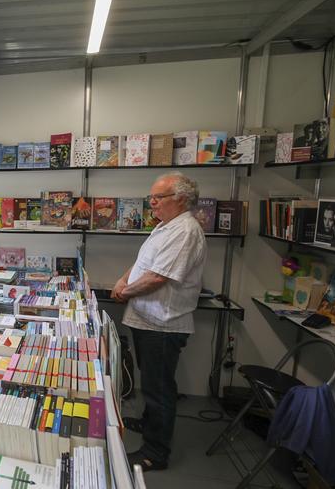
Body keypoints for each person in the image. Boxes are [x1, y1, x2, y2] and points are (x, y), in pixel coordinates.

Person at [111, 172, 207, 472]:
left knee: (159, 388)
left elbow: (157, 277)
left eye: (158, 197)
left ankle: (155, 452)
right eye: (151, 197)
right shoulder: (167, 226)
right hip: (147, 319)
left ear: (180, 198)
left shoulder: (185, 231)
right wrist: (124, 279)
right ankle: (148, 423)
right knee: (151, 381)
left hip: (162, 325)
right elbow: (145, 263)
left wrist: (124, 291)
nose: (151, 203)